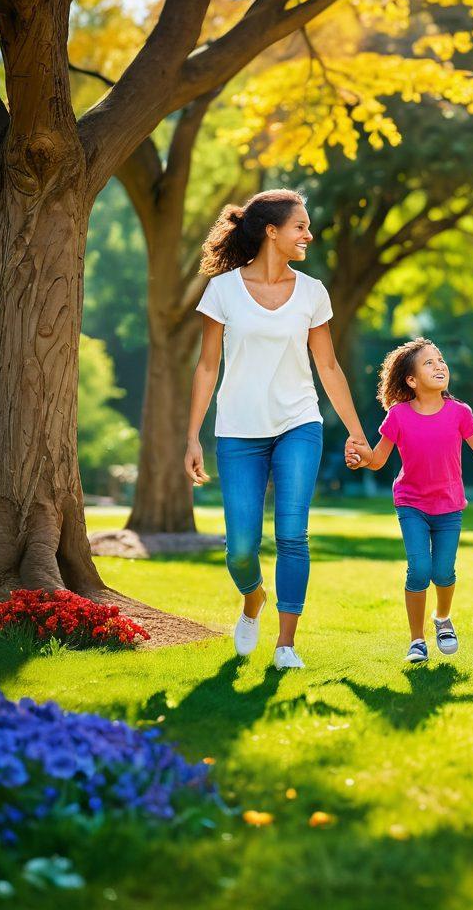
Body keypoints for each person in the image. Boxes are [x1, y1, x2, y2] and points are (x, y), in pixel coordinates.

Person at [185, 189, 367, 671]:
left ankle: (286, 645)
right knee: (241, 548)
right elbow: (207, 367)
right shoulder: (222, 290)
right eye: (300, 227)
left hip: (298, 423)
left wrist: (355, 431)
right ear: (271, 231)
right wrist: (192, 438)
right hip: (239, 431)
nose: (309, 235)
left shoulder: (312, 292)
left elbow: (327, 367)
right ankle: (252, 597)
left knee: (292, 534)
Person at [347, 339, 473, 663]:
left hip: (449, 506)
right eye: (429, 363)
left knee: (442, 572)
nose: (439, 366)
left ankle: (442, 618)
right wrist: (360, 457)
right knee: (419, 570)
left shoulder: (459, 413)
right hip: (411, 503)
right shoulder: (398, 415)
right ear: (411, 380)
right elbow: (378, 459)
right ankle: (416, 640)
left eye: (440, 360)